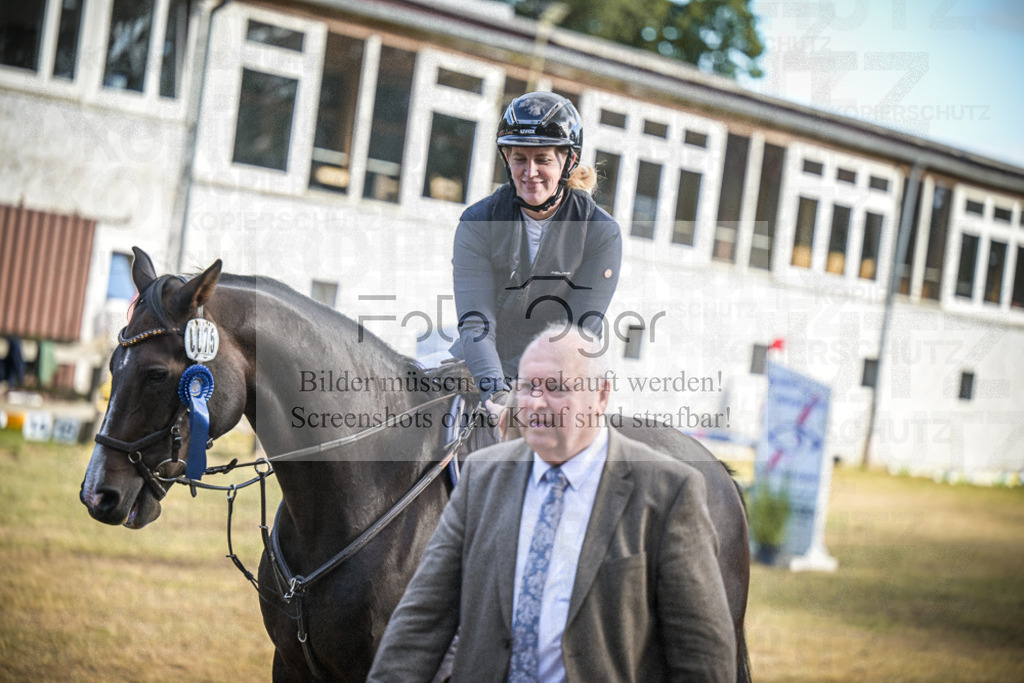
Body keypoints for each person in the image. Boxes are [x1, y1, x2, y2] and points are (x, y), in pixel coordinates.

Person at [367, 326, 737, 682]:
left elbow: (702, 655)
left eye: (557, 388)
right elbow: (421, 620)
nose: (536, 402)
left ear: (601, 397)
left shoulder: (668, 493)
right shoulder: (481, 479)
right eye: (528, 386)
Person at [450, 92, 622, 420]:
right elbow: (476, 322)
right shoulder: (476, 222)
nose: (530, 172)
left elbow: (577, 333)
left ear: (568, 162)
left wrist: (527, 393)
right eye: (519, 159)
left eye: (542, 159)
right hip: (481, 372)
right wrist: (497, 394)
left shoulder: (601, 232)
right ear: (507, 160)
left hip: (560, 376)